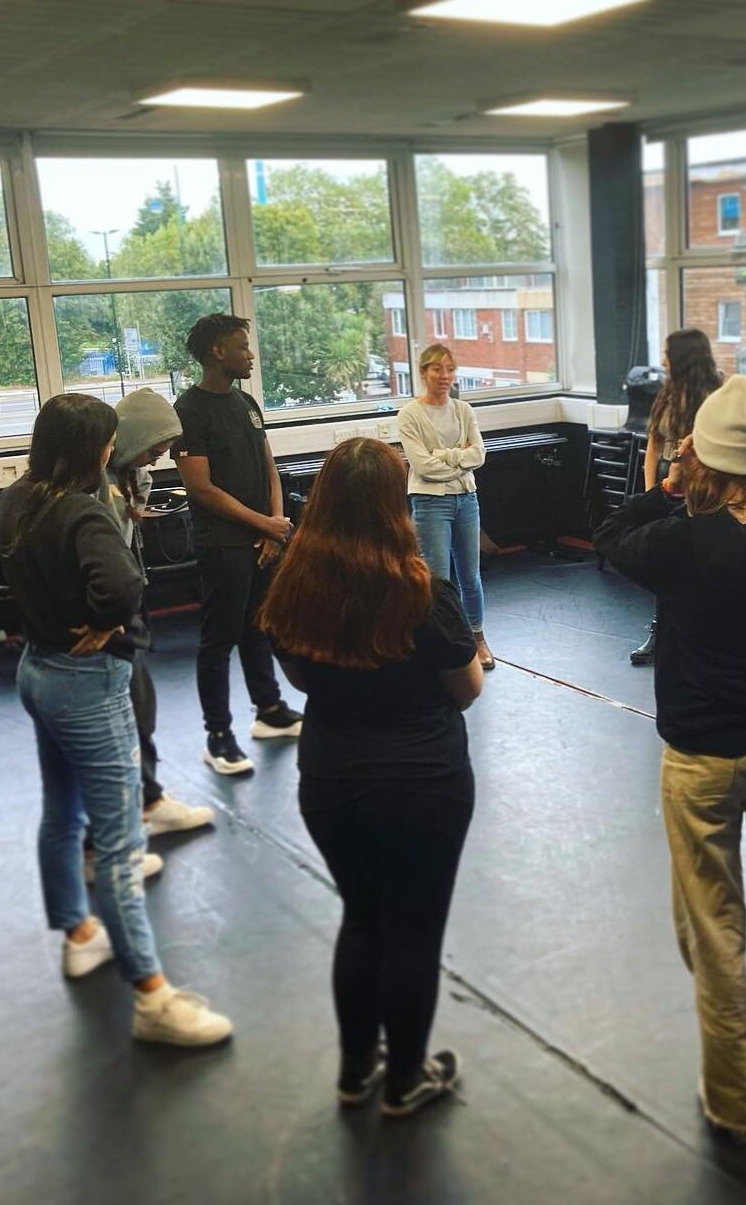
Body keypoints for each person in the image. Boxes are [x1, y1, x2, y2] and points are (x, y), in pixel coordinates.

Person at [594, 377, 746, 1143]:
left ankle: (735, 1103)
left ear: (700, 453)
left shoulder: (678, 540)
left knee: (715, 930)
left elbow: (610, 537)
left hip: (702, 762)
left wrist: (674, 479)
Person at [0, 394, 232, 1048]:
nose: (114, 450)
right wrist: (104, 621)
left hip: (37, 671)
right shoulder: (82, 508)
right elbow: (126, 585)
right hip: (85, 684)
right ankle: (153, 1000)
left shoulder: (16, 498)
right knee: (118, 849)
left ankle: (79, 935)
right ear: (92, 450)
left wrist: (38, 592)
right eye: (108, 442)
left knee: (63, 813)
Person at [258, 439, 481, 1118]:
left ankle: (358, 1071)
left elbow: (298, 676)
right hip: (424, 781)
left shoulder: (291, 587)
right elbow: (467, 689)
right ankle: (407, 1079)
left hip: (331, 776)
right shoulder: (425, 594)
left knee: (362, 919)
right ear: (394, 504)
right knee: (413, 932)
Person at [173, 314, 303, 777]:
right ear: (217, 352)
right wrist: (264, 526)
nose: (251, 354)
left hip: (260, 536)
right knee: (218, 639)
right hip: (222, 544)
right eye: (243, 346)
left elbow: (269, 464)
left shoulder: (247, 401)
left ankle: (268, 709)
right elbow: (201, 489)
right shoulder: (189, 410)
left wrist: (275, 524)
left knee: (257, 628)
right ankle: (218, 735)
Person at [97, 387, 214, 837]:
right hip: (106, 611)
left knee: (139, 706)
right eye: (154, 449)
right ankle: (126, 817)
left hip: (123, 606)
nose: (156, 460)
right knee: (119, 717)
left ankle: (147, 800)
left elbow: (130, 522)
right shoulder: (93, 485)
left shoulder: (126, 476)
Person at [397, 344, 494, 670]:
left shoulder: (463, 410)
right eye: (437, 369)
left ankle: (477, 639)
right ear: (424, 372)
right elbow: (422, 467)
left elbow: (478, 455)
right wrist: (458, 457)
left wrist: (444, 456)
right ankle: (439, 642)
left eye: (449, 369)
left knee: (470, 576)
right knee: (436, 579)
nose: (444, 376)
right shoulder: (410, 414)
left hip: (466, 499)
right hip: (429, 502)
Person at [630, 328, 722, 666]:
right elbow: (654, 442)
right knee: (664, 559)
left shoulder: (716, 393)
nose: (663, 360)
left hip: (704, 484)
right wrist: (652, 490)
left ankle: (702, 636)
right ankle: (660, 633)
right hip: (671, 481)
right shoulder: (666, 393)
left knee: (700, 564)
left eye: (668, 353)